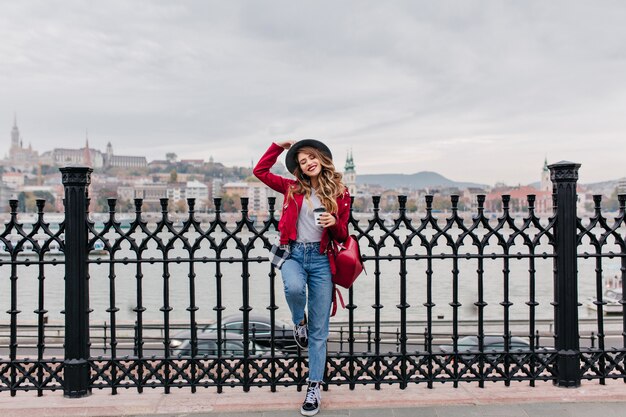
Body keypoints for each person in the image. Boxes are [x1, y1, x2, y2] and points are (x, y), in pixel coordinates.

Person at [253, 139, 350, 416]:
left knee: (319, 333)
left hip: (321, 261)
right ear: (299, 167)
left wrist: (335, 223)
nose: (308, 162)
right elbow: (260, 172)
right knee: (294, 289)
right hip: (293, 254)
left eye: (311, 157)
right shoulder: (291, 187)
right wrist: (277, 147)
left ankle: (314, 386)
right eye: (303, 160)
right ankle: (299, 322)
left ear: (321, 158)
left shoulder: (340, 192)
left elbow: (343, 235)